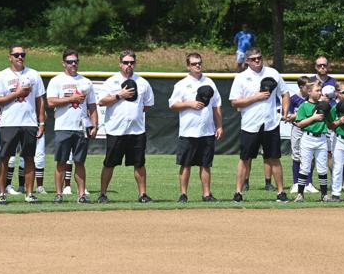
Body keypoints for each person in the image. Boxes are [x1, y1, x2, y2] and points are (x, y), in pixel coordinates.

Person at [229, 47, 290, 203]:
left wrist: (284, 112)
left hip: (270, 123)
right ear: (247, 61)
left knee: (274, 157)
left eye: (259, 57)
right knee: (245, 158)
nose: (257, 61)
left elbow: (285, 93)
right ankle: (238, 192)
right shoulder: (241, 78)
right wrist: (255, 98)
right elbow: (235, 102)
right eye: (254, 59)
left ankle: (281, 192)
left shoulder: (273, 73)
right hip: (250, 124)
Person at [98, 50, 155, 203]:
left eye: (131, 62)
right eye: (125, 62)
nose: (128, 65)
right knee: (109, 163)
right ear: (120, 64)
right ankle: (103, 194)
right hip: (116, 130)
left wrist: (135, 115)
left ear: (135, 64)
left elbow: (148, 105)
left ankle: (142, 194)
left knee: (139, 164)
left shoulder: (143, 82)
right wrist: (119, 95)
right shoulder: (111, 82)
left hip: (137, 131)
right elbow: (102, 101)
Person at [0, 45, 46, 204]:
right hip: (9, 122)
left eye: (22, 54)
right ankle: (1, 193)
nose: (20, 57)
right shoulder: (2, 76)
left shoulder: (34, 74)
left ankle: (29, 193)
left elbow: (39, 100)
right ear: (10, 57)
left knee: (30, 158)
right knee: (4, 157)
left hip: (29, 122)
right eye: (16, 55)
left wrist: (41, 122)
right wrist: (17, 93)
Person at [168, 52, 223, 202]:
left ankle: (206, 194)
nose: (197, 65)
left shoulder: (210, 82)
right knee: (186, 164)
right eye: (193, 63)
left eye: (199, 62)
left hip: (206, 131)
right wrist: (189, 104)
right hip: (188, 131)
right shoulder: (181, 84)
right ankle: (183, 194)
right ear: (188, 66)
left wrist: (219, 126)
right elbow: (172, 104)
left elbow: (216, 105)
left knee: (205, 164)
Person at [46, 50, 98, 203]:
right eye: (69, 61)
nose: (73, 64)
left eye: (75, 61)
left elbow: (92, 105)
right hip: (63, 126)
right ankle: (59, 194)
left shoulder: (86, 82)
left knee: (80, 162)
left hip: (81, 127)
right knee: (61, 161)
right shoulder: (57, 80)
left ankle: (81, 194)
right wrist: (72, 98)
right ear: (64, 63)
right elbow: (50, 102)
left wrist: (95, 125)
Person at [293, 82, 330, 202]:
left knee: (322, 168)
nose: (320, 93)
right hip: (307, 138)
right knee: (305, 167)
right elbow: (299, 123)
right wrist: (313, 118)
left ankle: (324, 194)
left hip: (322, 138)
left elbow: (330, 122)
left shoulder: (324, 105)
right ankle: (300, 194)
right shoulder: (304, 106)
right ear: (309, 92)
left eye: (320, 90)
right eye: (317, 90)